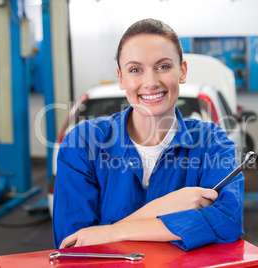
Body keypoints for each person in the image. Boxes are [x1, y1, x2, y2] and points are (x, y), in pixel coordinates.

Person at [53, 18, 244, 250]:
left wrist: (109, 233)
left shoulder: (211, 142)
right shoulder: (83, 143)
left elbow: (228, 222)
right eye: (135, 70)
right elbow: (72, 244)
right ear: (121, 78)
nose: (151, 82)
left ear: (182, 71)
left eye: (163, 66)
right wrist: (163, 207)